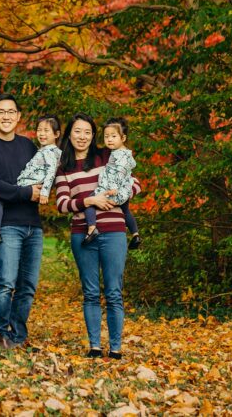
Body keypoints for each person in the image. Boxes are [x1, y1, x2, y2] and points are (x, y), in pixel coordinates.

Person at [54, 113, 140, 360]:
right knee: (90, 292)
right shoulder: (64, 168)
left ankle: (115, 348)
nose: (82, 137)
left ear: (94, 136)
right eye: (77, 131)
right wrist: (90, 200)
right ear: (70, 134)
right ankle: (94, 346)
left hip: (113, 231)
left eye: (88, 132)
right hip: (83, 234)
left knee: (114, 291)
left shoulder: (107, 157)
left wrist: (117, 197)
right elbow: (61, 204)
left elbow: (135, 183)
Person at [0, 93, 43, 350]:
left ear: (18, 117)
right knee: (6, 283)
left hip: (34, 225)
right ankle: (0, 333)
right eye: (0, 112)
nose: (6, 116)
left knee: (28, 287)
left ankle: (18, 336)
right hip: (7, 226)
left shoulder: (28, 147)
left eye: (11, 112)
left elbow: (43, 177)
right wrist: (26, 192)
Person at [0, 115, 61, 248]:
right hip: (26, 184)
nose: (42, 134)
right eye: (39, 130)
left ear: (56, 134)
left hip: (28, 185)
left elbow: (51, 173)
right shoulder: (43, 149)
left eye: (46, 131)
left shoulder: (51, 152)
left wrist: (45, 193)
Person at [81, 117, 141, 250]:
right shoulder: (124, 153)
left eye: (113, 136)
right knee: (125, 211)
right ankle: (136, 234)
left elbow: (119, 172)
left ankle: (92, 229)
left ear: (123, 138)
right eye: (107, 136)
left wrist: (114, 188)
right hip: (123, 190)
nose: (109, 139)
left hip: (113, 189)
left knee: (89, 202)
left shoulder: (118, 155)